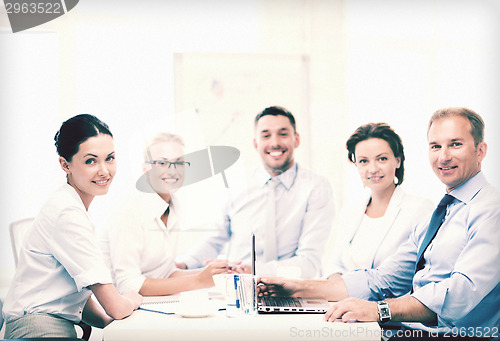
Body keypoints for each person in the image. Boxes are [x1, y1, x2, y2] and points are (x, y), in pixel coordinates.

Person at [259, 107, 500, 338]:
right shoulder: (440, 214)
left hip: (458, 336)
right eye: (435, 146)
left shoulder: (491, 210)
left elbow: (461, 293)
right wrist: (299, 288)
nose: (444, 156)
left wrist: (380, 310)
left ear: (480, 151)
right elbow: (384, 279)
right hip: (407, 330)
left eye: (455, 144)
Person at [2, 114, 142, 338]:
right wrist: (131, 298)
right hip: (37, 331)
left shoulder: (70, 206)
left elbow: (72, 296)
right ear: (65, 164)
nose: (104, 170)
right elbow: (115, 306)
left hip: (47, 327)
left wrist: (113, 318)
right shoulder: (67, 213)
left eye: (110, 158)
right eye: (91, 161)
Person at [176, 106, 335, 278]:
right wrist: (184, 264)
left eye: (283, 134)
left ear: (296, 140)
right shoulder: (236, 185)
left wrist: (251, 269)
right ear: (255, 143)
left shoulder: (317, 187)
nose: (275, 142)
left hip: (294, 290)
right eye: (266, 135)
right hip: (238, 287)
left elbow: (309, 263)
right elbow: (215, 239)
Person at [101, 132, 231, 296]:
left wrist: (215, 273)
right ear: (145, 169)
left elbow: (165, 273)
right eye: (162, 163)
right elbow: (128, 284)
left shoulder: (173, 206)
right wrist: (199, 280)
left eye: (179, 163)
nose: (172, 170)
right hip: (121, 311)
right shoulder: (129, 211)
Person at [325, 123, 433, 276]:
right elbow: (333, 264)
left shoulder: (419, 209)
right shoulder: (349, 213)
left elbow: (424, 270)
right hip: (344, 298)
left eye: (381, 159)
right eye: (363, 161)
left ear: (397, 161)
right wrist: (337, 282)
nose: (373, 169)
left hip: (391, 299)